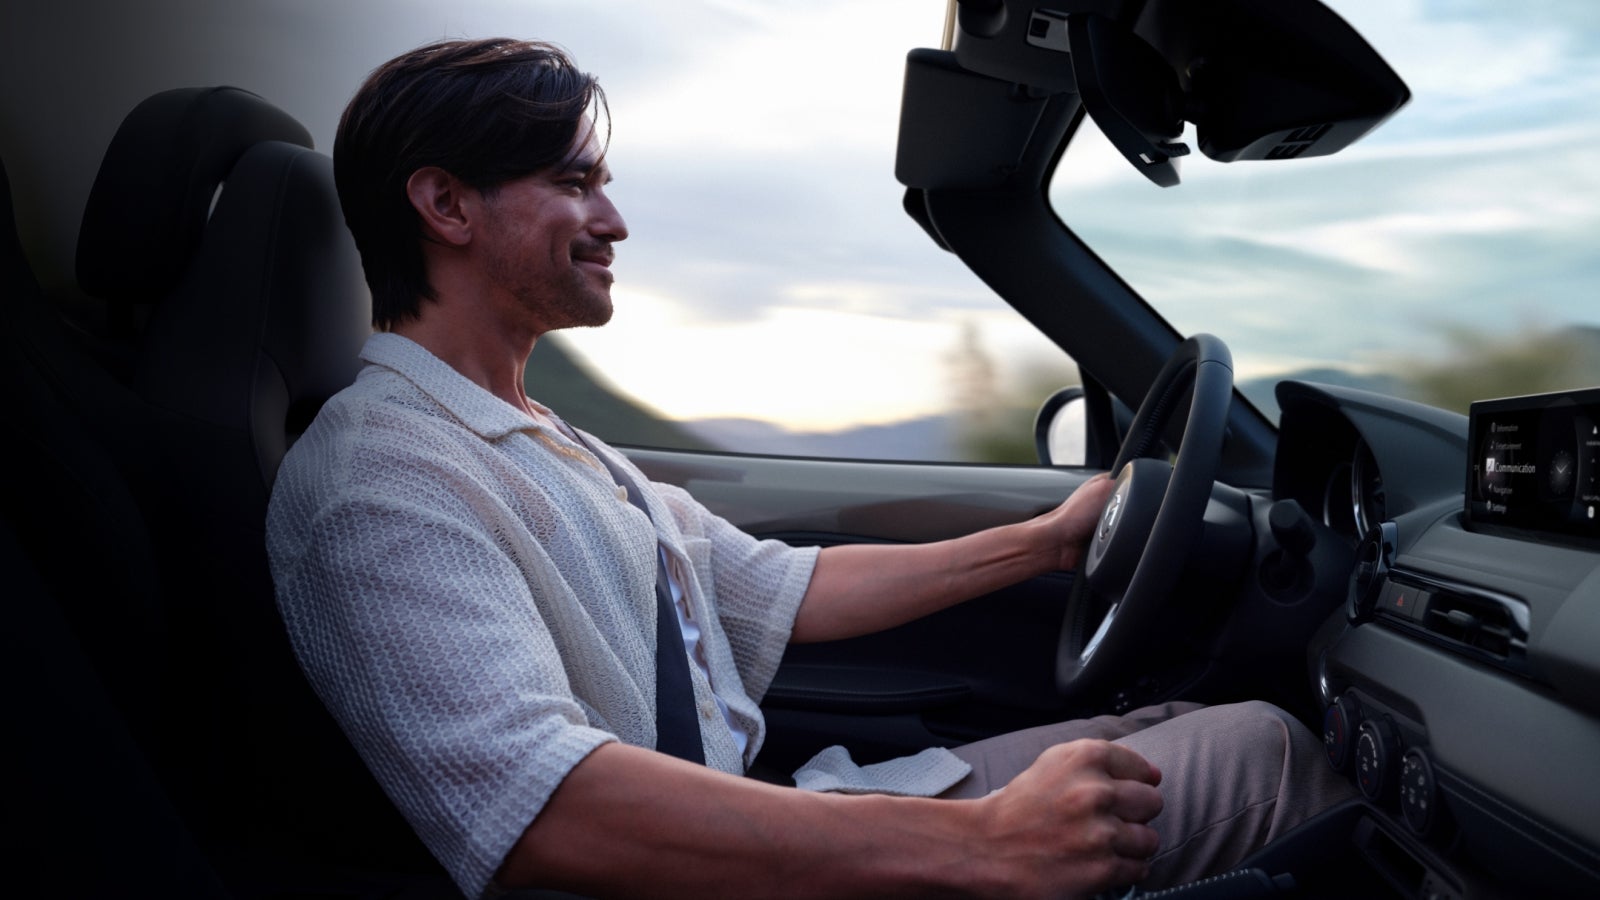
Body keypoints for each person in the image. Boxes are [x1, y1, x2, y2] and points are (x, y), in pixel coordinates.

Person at [267, 38, 1354, 899]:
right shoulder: (382, 480)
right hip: (706, 877)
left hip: (768, 815)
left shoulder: (538, 439)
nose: (615, 221)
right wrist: (977, 846)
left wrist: (1051, 539)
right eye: (572, 183)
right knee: (1267, 763)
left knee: (1183, 738)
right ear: (446, 206)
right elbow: (546, 814)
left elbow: (784, 589)